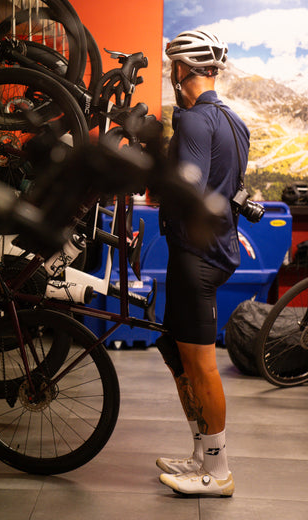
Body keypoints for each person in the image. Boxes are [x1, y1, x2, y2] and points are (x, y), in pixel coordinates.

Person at [155, 30, 250, 497]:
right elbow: (226, 189)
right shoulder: (234, 121)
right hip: (207, 251)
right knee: (176, 352)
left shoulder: (194, 122)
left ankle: (219, 470)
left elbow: (190, 192)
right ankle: (199, 454)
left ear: (180, 70)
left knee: (200, 364)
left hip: (196, 258)